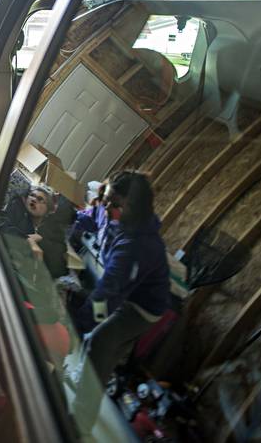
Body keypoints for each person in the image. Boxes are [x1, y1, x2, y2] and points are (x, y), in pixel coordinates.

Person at [69, 170, 170, 433]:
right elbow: (95, 218)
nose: (107, 206)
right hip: (124, 294)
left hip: (142, 308)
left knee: (99, 341)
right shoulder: (113, 211)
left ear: (133, 210)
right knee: (105, 345)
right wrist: (73, 219)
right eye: (107, 199)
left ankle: (79, 423)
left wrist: (79, 328)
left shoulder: (139, 245)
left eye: (116, 204)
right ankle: (91, 376)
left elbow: (108, 294)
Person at [0, 183, 69, 278]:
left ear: (47, 210)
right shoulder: (17, 210)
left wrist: (42, 240)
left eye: (40, 199)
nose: (34, 199)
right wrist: (27, 240)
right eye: (32, 195)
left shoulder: (51, 231)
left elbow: (59, 267)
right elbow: (2, 225)